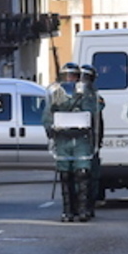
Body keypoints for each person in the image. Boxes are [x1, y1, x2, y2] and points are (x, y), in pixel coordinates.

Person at [43, 62, 99, 222]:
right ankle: (68, 210)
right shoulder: (56, 94)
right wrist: (51, 128)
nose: (69, 79)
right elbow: (47, 114)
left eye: (73, 76)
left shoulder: (85, 93)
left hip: (81, 139)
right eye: (66, 76)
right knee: (66, 175)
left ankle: (82, 210)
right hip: (62, 139)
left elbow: (92, 111)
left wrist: (82, 113)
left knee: (82, 173)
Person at [80, 64, 105, 217]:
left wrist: (99, 140)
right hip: (78, 139)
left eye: (88, 78)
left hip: (91, 140)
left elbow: (98, 119)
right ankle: (78, 206)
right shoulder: (72, 94)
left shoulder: (95, 96)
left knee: (92, 175)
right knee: (79, 175)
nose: (85, 81)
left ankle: (89, 205)